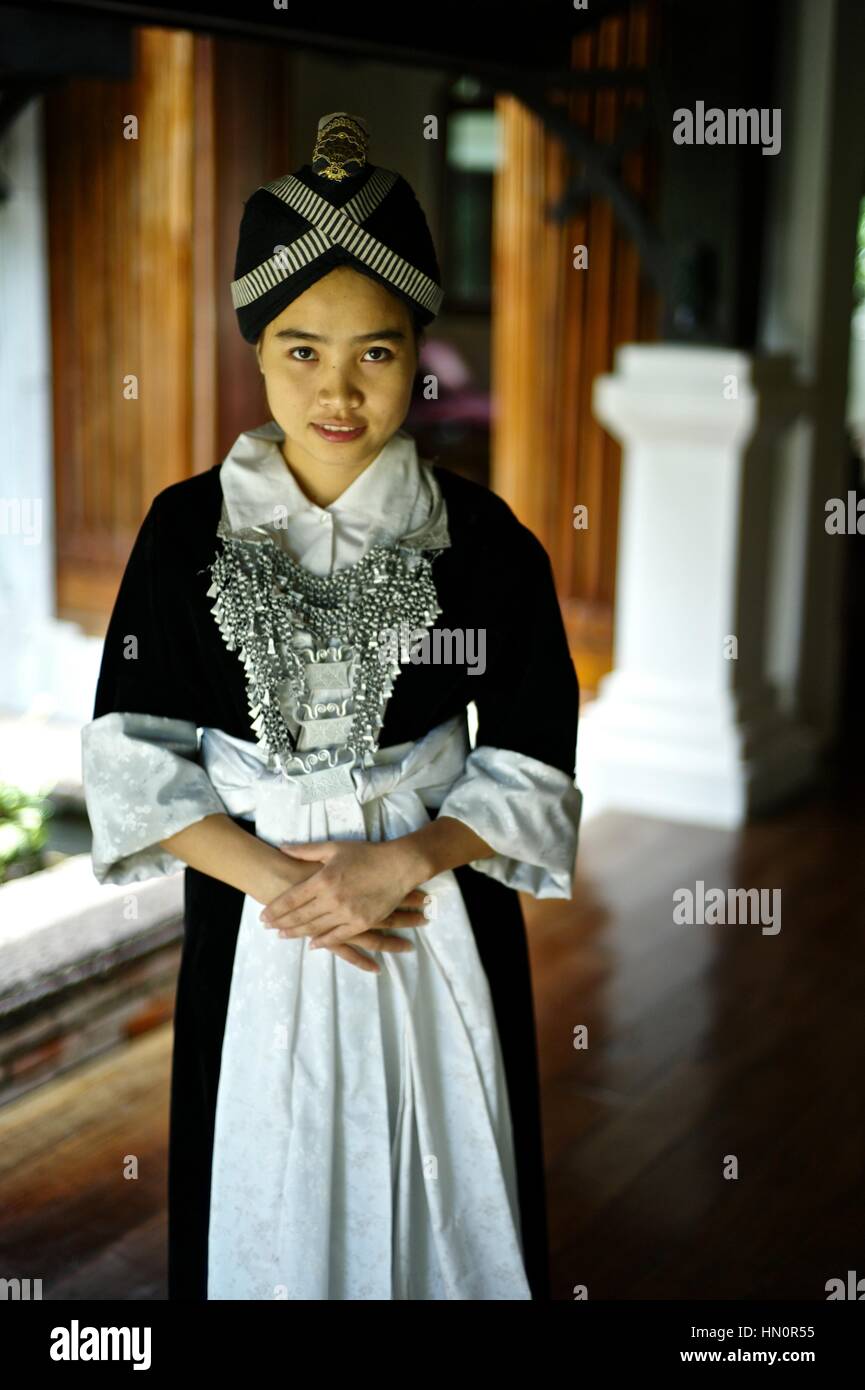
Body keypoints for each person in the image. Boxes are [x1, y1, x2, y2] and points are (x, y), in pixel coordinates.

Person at [81, 111, 582, 1301]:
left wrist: (400, 862)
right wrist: (300, 893)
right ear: (254, 355)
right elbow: (134, 758)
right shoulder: (182, 532)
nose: (339, 388)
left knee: (446, 1185)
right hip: (254, 924)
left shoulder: (489, 546)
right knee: (266, 1172)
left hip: (433, 905)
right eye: (301, 350)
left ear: (421, 354)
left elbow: (528, 754)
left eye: (376, 349)